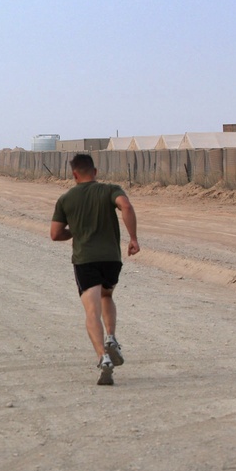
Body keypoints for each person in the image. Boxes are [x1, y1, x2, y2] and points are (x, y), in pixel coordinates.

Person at [50, 153, 140, 386]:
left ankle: (103, 357)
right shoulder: (111, 189)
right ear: (95, 172)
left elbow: (55, 234)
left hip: (85, 260)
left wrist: (77, 231)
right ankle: (111, 336)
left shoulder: (66, 199)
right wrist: (133, 238)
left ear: (74, 174)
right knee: (107, 294)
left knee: (92, 310)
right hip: (111, 259)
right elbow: (126, 206)